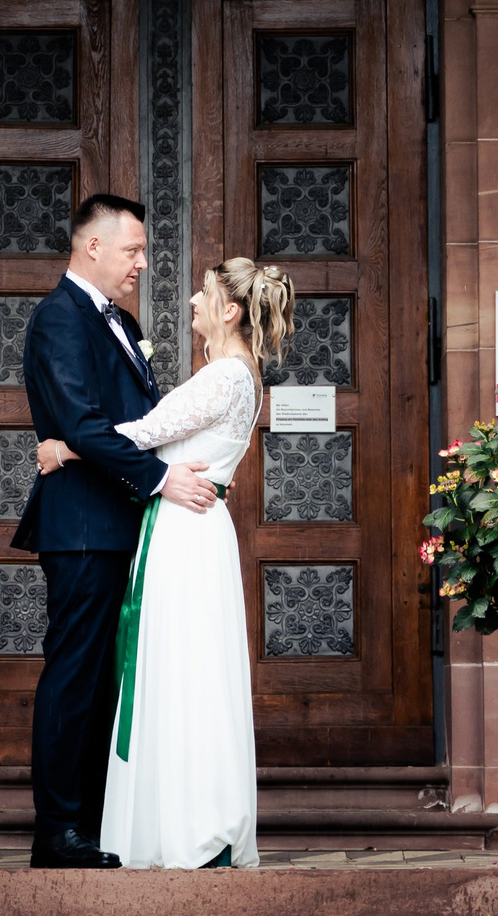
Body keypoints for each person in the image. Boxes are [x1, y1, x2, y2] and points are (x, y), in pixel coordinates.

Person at [35, 257, 292, 870]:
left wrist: (63, 445)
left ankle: (192, 828)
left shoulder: (226, 376)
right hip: (190, 527)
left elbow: (144, 431)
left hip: (185, 531)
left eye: (203, 295)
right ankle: (191, 820)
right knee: (187, 671)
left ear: (230, 310)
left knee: (182, 672)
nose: (193, 304)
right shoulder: (237, 375)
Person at [17, 194, 218, 871]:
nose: (141, 263)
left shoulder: (121, 323)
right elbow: (82, 424)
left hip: (120, 523)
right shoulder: (59, 319)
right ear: (91, 247)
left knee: (108, 679)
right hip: (81, 526)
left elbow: (139, 421)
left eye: (141, 250)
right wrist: (162, 481)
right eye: (132, 249)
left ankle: (100, 820)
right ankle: (58, 832)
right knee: (75, 675)